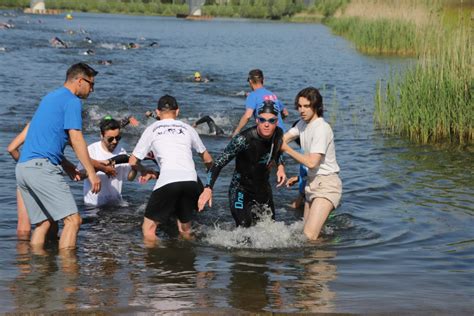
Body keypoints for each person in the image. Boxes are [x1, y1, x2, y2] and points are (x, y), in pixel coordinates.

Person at [15, 62, 101, 250]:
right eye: (91, 84)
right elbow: (76, 138)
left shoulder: (49, 98)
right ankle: (68, 276)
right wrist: (92, 172)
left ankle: (35, 270)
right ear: (80, 81)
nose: (92, 89)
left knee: (44, 224)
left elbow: (45, 140)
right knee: (73, 221)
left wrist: (68, 166)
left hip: (23, 168)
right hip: (41, 169)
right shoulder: (72, 101)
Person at [129, 95, 213, 245]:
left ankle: (159, 262)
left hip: (168, 181)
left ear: (158, 112)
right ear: (177, 111)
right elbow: (208, 160)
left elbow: (132, 161)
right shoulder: (188, 128)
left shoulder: (152, 128)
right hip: (191, 181)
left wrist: (144, 170)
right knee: (185, 230)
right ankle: (188, 263)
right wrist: (209, 186)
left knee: (148, 229)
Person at [198, 100, 287, 227]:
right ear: (257, 120)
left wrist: (281, 166)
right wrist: (208, 188)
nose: (266, 124)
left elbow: (277, 150)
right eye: (262, 120)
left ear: (276, 122)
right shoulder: (242, 140)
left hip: (263, 189)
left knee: (269, 227)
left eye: (271, 120)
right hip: (241, 189)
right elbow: (218, 163)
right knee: (244, 227)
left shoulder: (278, 134)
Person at [280, 87, 342, 241]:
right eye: (299, 106)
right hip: (311, 184)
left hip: (327, 185)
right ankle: (324, 258)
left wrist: (287, 149)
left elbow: (312, 162)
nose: (302, 110)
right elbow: (282, 139)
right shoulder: (302, 124)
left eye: (306, 106)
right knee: (306, 236)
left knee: (309, 236)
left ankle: (325, 261)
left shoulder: (321, 128)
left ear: (316, 106)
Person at [77, 117, 137, 207]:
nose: (114, 141)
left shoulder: (122, 151)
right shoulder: (91, 150)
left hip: (116, 204)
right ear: (101, 135)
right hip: (93, 206)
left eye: (118, 138)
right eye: (110, 139)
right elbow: (79, 176)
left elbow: (130, 178)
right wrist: (101, 168)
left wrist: (135, 168)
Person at [232, 69, 288, 137]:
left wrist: (237, 131)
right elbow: (285, 113)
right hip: (283, 133)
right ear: (263, 80)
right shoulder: (272, 95)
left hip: (270, 135)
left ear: (250, 81)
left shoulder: (253, 95)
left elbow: (247, 116)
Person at [7, 124, 31, 240]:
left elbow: (11, 148)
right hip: (45, 174)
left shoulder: (32, 124)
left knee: (23, 226)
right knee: (47, 223)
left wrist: (25, 163)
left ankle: (22, 256)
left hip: (24, 173)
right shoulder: (60, 124)